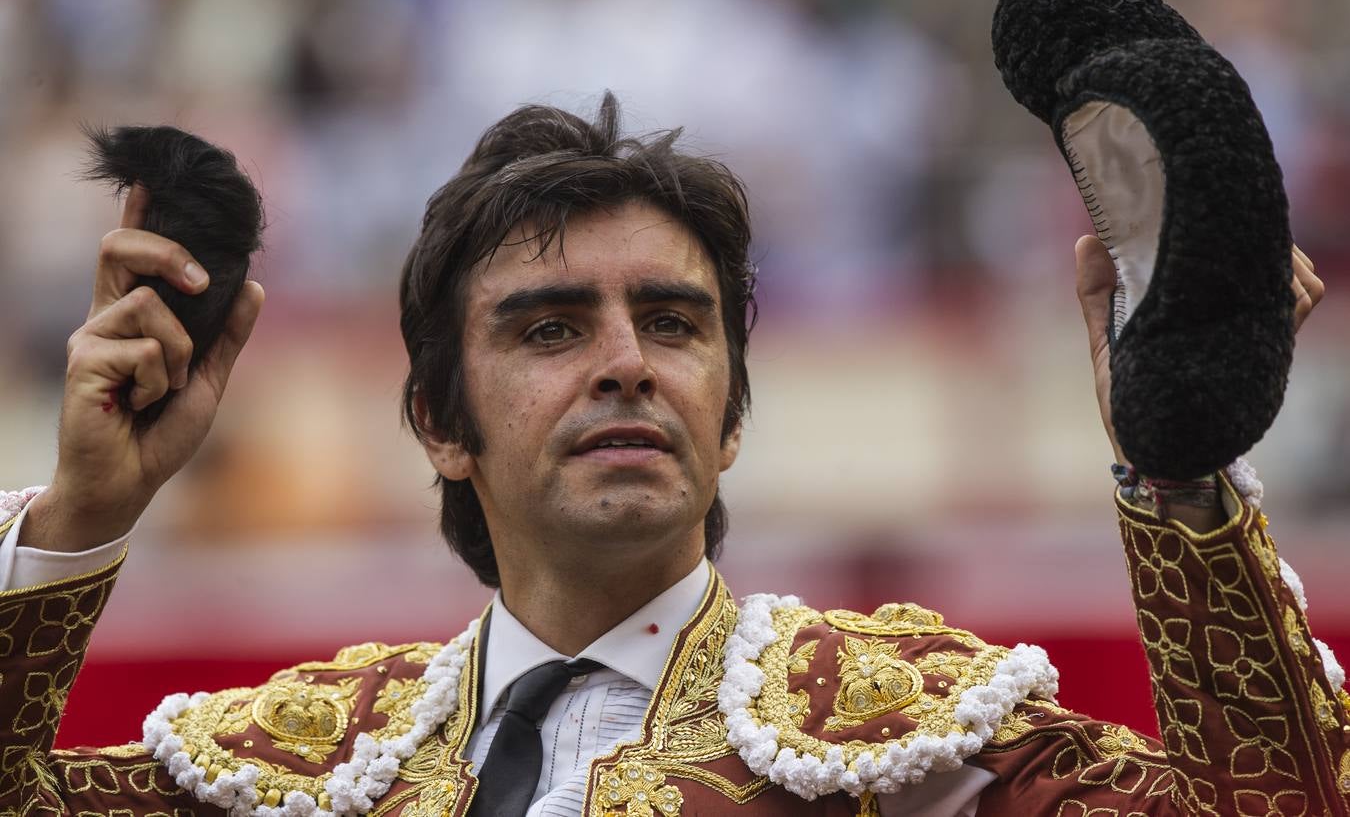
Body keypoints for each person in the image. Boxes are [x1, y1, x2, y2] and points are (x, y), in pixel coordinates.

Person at [0, 90, 1344, 817]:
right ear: (438, 425)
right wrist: (78, 525)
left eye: (672, 321)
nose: (626, 359)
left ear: (732, 413)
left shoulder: (916, 739)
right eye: (546, 328)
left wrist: (1175, 480)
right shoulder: (300, 767)